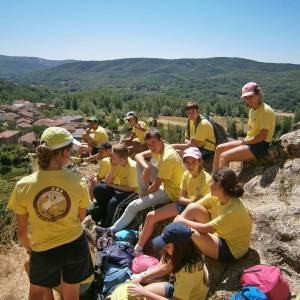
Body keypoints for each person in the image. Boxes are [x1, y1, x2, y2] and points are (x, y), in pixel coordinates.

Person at [7, 127, 94, 300]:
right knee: (71, 294)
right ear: (64, 152)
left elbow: (23, 234)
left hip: (43, 250)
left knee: (39, 292)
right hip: (75, 246)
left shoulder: (23, 185)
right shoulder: (78, 180)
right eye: (70, 151)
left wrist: (33, 252)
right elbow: (81, 218)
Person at [96, 129, 184, 235]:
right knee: (140, 163)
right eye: (148, 144)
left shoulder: (167, 158)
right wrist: (146, 167)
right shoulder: (162, 147)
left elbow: (156, 186)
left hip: (171, 193)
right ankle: (142, 192)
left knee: (133, 205)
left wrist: (142, 196)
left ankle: (112, 230)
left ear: (161, 140)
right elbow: (138, 156)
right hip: (167, 183)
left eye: (153, 142)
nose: (151, 147)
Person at [133, 147, 211, 256]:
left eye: (193, 162)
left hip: (199, 211)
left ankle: (169, 254)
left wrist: (189, 201)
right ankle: (138, 248)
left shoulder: (206, 179)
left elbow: (199, 204)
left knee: (176, 225)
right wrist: (191, 200)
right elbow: (181, 198)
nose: (190, 165)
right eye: (187, 162)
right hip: (186, 204)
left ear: (200, 161)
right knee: (151, 216)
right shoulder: (186, 174)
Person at [174, 167, 252, 261]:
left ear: (221, 186)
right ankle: (173, 242)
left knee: (190, 232)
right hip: (219, 233)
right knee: (192, 208)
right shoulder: (217, 196)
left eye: (212, 182)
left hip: (231, 248)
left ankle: (175, 251)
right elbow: (193, 207)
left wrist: (182, 221)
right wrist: (181, 222)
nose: (209, 184)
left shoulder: (232, 210)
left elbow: (205, 229)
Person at [128, 222, 208, 300]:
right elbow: (166, 268)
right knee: (139, 294)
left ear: (180, 248)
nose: (164, 248)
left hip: (190, 297)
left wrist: (144, 293)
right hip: (177, 288)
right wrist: (142, 277)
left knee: (144, 294)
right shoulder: (184, 254)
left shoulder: (188, 271)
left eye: (168, 246)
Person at [213, 82, 276, 170]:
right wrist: (245, 141)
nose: (248, 100)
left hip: (260, 145)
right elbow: (252, 131)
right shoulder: (252, 110)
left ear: (258, 94)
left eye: (250, 96)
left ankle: (221, 183)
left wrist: (244, 142)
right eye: (246, 97)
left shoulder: (265, 111)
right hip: (250, 142)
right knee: (219, 149)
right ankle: (214, 179)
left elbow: (262, 137)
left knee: (224, 157)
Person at [87, 143, 138, 226]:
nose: (109, 157)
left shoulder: (132, 166)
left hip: (133, 192)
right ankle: (104, 212)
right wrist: (113, 167)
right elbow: (107, 182)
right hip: (120, 188)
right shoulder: (116, 163)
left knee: (114, 203)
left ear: (120, 159)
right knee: (98, 188)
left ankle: (108, 226)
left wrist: (114, 186)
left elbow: (132, 188)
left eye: (111, 155)